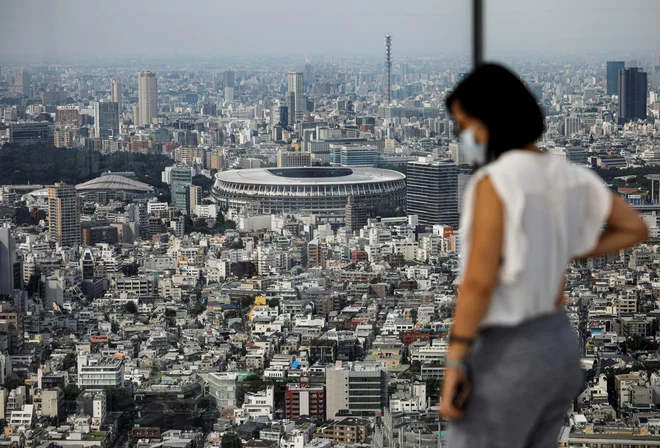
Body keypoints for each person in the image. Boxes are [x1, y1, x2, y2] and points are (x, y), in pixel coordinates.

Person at [440, 64, 648, 448]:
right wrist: (567, 250)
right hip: (558, 344)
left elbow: (479, 281)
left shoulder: (495, 183)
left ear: (491, 121)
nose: (464, 137)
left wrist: (455, 361)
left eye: (465, 126)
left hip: (508, 348)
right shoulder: (568, 175)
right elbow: (635, 228)